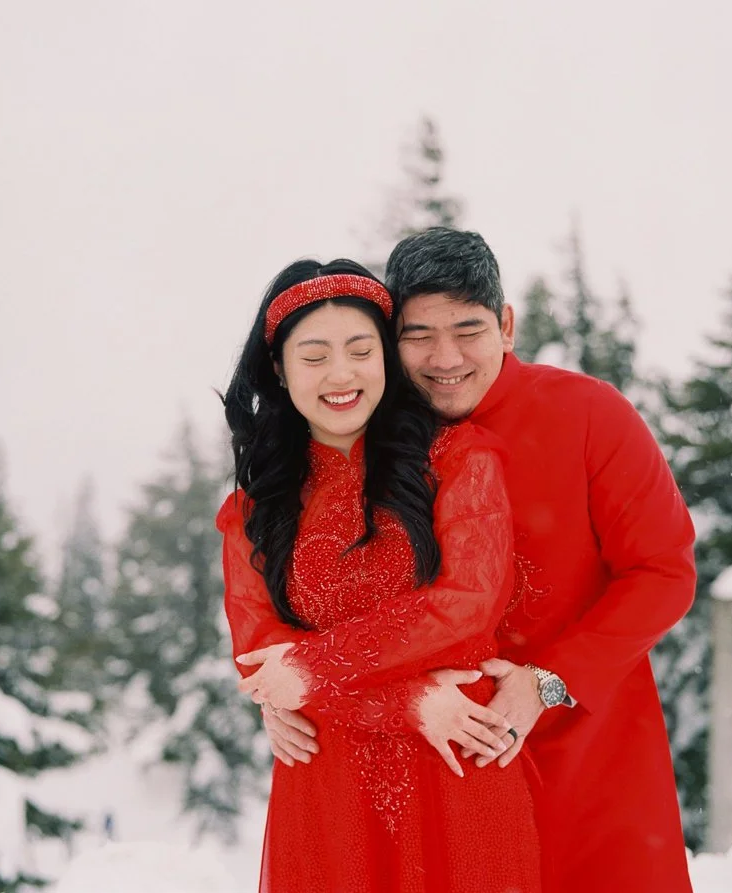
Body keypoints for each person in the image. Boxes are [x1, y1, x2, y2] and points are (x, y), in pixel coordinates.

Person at [262, 229, 698, 893]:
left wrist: (548, 678)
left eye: (468, 330)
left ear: (507, 324)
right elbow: (318, 595)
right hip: (439, 775)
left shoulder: (589, 414)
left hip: (584, 752)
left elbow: (664, 570)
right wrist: (297, 685)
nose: (446, 358)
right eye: (418, 334)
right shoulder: (369, 443)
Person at [218, 258, 544, 893]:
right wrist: (410, 702)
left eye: (360, 350)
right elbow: (262, 659)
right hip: (328, 786)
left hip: (458, 770)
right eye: (314, 357)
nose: (341, 375)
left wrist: (314, 669)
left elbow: (467, 605)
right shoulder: (253, 510)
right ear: (280, 372)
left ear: (386, 361)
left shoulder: (458, 460)